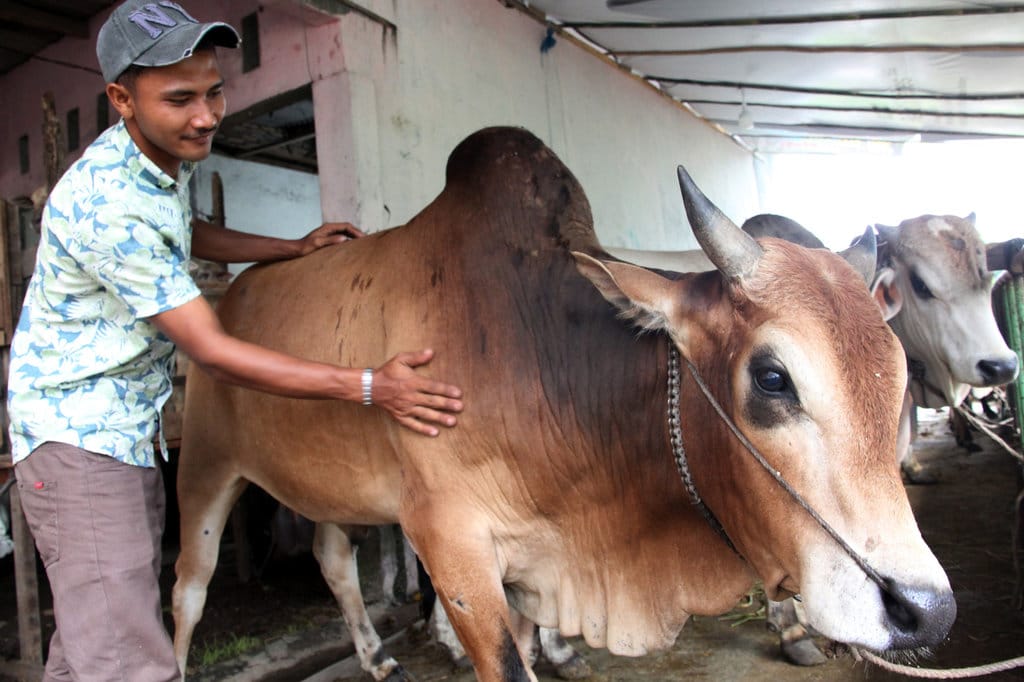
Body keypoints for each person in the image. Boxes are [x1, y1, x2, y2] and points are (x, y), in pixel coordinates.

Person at [7, 1, 464, 680]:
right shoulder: (107, 203)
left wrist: (289, 245)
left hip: (121, 433)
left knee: (88, 651)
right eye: (181, 99)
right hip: (78, 441)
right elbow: (215, 352)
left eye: (215, 91)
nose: (207, 115)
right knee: (129, 661)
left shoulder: (156, 159)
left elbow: (181, 229)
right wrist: (372, 386)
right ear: (121, 99)